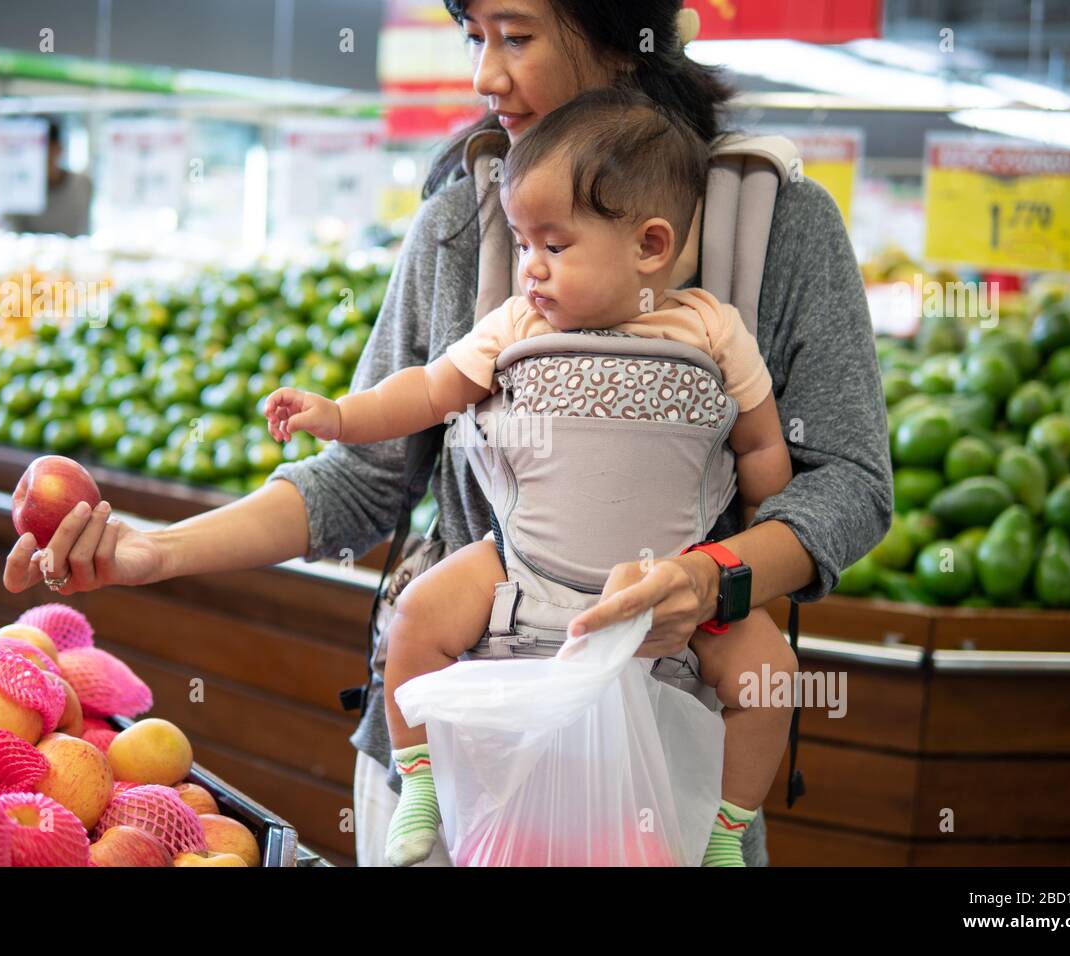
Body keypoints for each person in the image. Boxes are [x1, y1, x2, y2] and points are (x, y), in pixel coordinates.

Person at [2, 0, 893, 868]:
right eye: (473, 35)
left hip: (676, 771)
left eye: (517, 35)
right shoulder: (462, 224)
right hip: (460, 755)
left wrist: (714, 579)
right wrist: (156, 552)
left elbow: (849, 481)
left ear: (622, 33)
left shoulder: (779, 228)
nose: (484, 74)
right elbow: (360, 479)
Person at [264, 86, 797, 867]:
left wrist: (753, 544)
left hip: (667, 602)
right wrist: (340, 415)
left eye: (555, 245)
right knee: (415, 617)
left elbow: (760, 445)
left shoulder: (711, 328)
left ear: (650, 246)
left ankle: (718, 834)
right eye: (520, 244)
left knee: (770, 676)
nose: (531, 269)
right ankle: (420, 780)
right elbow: (425, 391)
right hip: (517, 578)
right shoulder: (515, 324)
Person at [3, 119, 92, 237]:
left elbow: (82, 231)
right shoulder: (18, 190)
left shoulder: (81, 185)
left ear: (58, 149)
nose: (35, 158)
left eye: (42, 149)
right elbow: (13, 234)